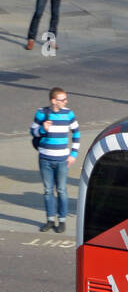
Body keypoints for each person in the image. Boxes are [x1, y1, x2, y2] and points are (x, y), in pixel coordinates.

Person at [31, 87, 80, 233]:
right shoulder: (41, 113)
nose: (66, 101)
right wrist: (42, 129)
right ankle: (50, 220)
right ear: (54, 101)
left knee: (62, 190)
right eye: (63, 99)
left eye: (65, 99)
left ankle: (62, 220)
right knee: (47, 190)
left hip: (62, 160)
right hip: (45, 158)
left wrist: (74, 154)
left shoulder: (68, 114)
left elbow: (76, 133)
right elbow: (32, 131)